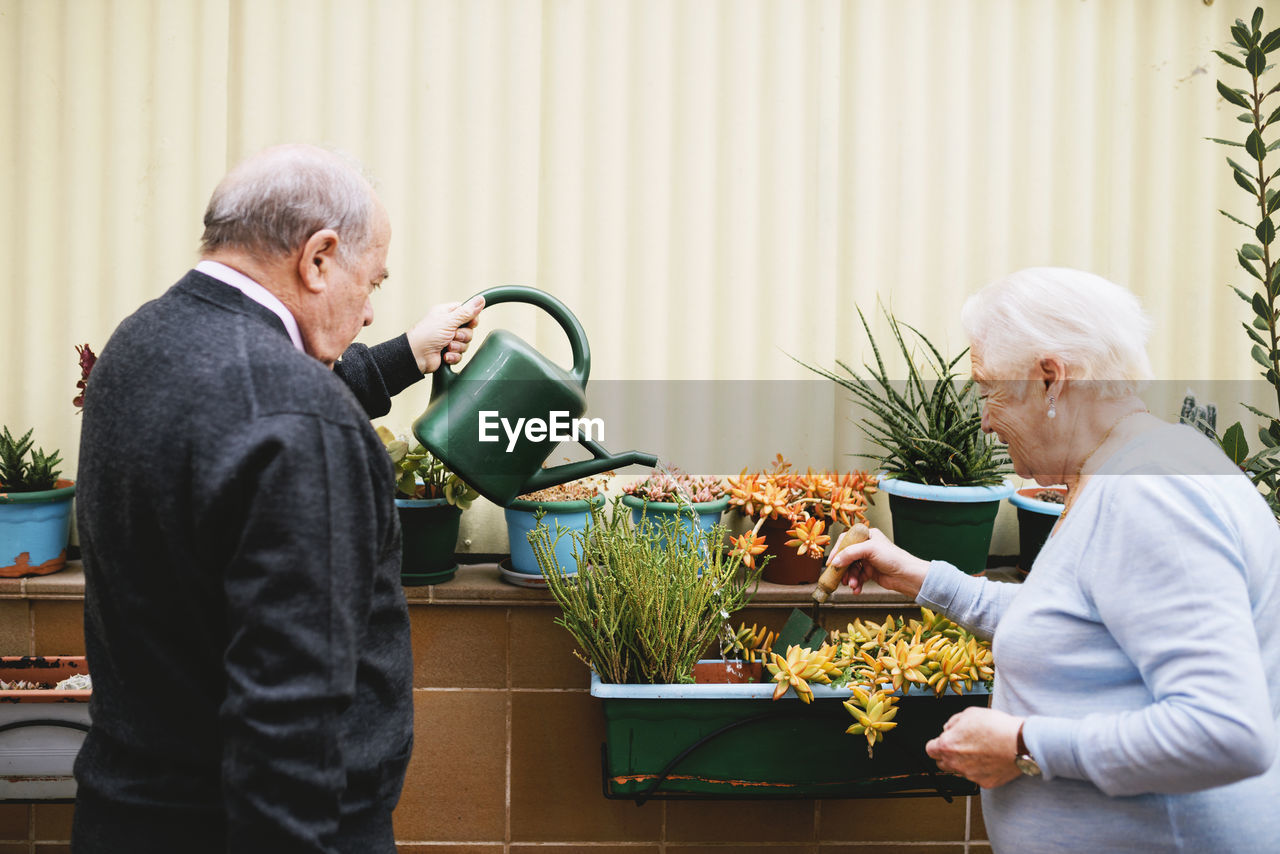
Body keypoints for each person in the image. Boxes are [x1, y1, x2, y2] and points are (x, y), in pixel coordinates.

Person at [72, 144, 484, 853]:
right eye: (372, 280)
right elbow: (286, 722)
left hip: (129, 813)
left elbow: (238, 413)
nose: (368, 312)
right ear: (318, 258)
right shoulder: (298, 418)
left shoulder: (139, 348)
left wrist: (409, 353)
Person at [828, 267, 1280, 853]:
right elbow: (1078, 622)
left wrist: (1022, 744)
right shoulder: (1123, 469)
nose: (985, 419)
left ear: (1050, 380)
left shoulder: (1147, 493)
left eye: (988, 389)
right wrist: (922, 578)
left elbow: (1226, 734)